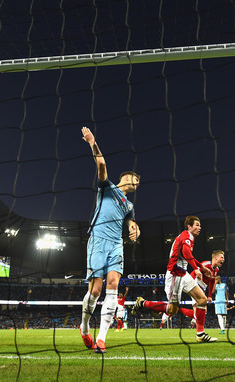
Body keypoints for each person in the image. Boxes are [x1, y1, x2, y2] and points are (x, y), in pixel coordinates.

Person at [79, 126, 141, 354]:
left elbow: (132, 223)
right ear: (126, 178)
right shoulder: (107, 188)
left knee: (113, 284)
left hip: (116, 244)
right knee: (95, 290)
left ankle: (102, 338)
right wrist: (92, 142)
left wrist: (136, 231)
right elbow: (102, 166)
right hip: (97, 239)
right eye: (136, 180)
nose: (137, 184)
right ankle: (84, 326)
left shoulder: (130, 205)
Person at [132, 216, 217, 343]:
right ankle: (143, 303)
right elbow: (186, 252)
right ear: (189, 226)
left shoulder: (189, 237)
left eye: (200, 225)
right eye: (197, 225)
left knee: (202, 299)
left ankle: (200, 334)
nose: (199, 228)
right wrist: (197, 269)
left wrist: (200, 267)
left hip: (183, 274)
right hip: (175, 275)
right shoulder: (186, 235)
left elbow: (188, 255)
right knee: (172, 310)